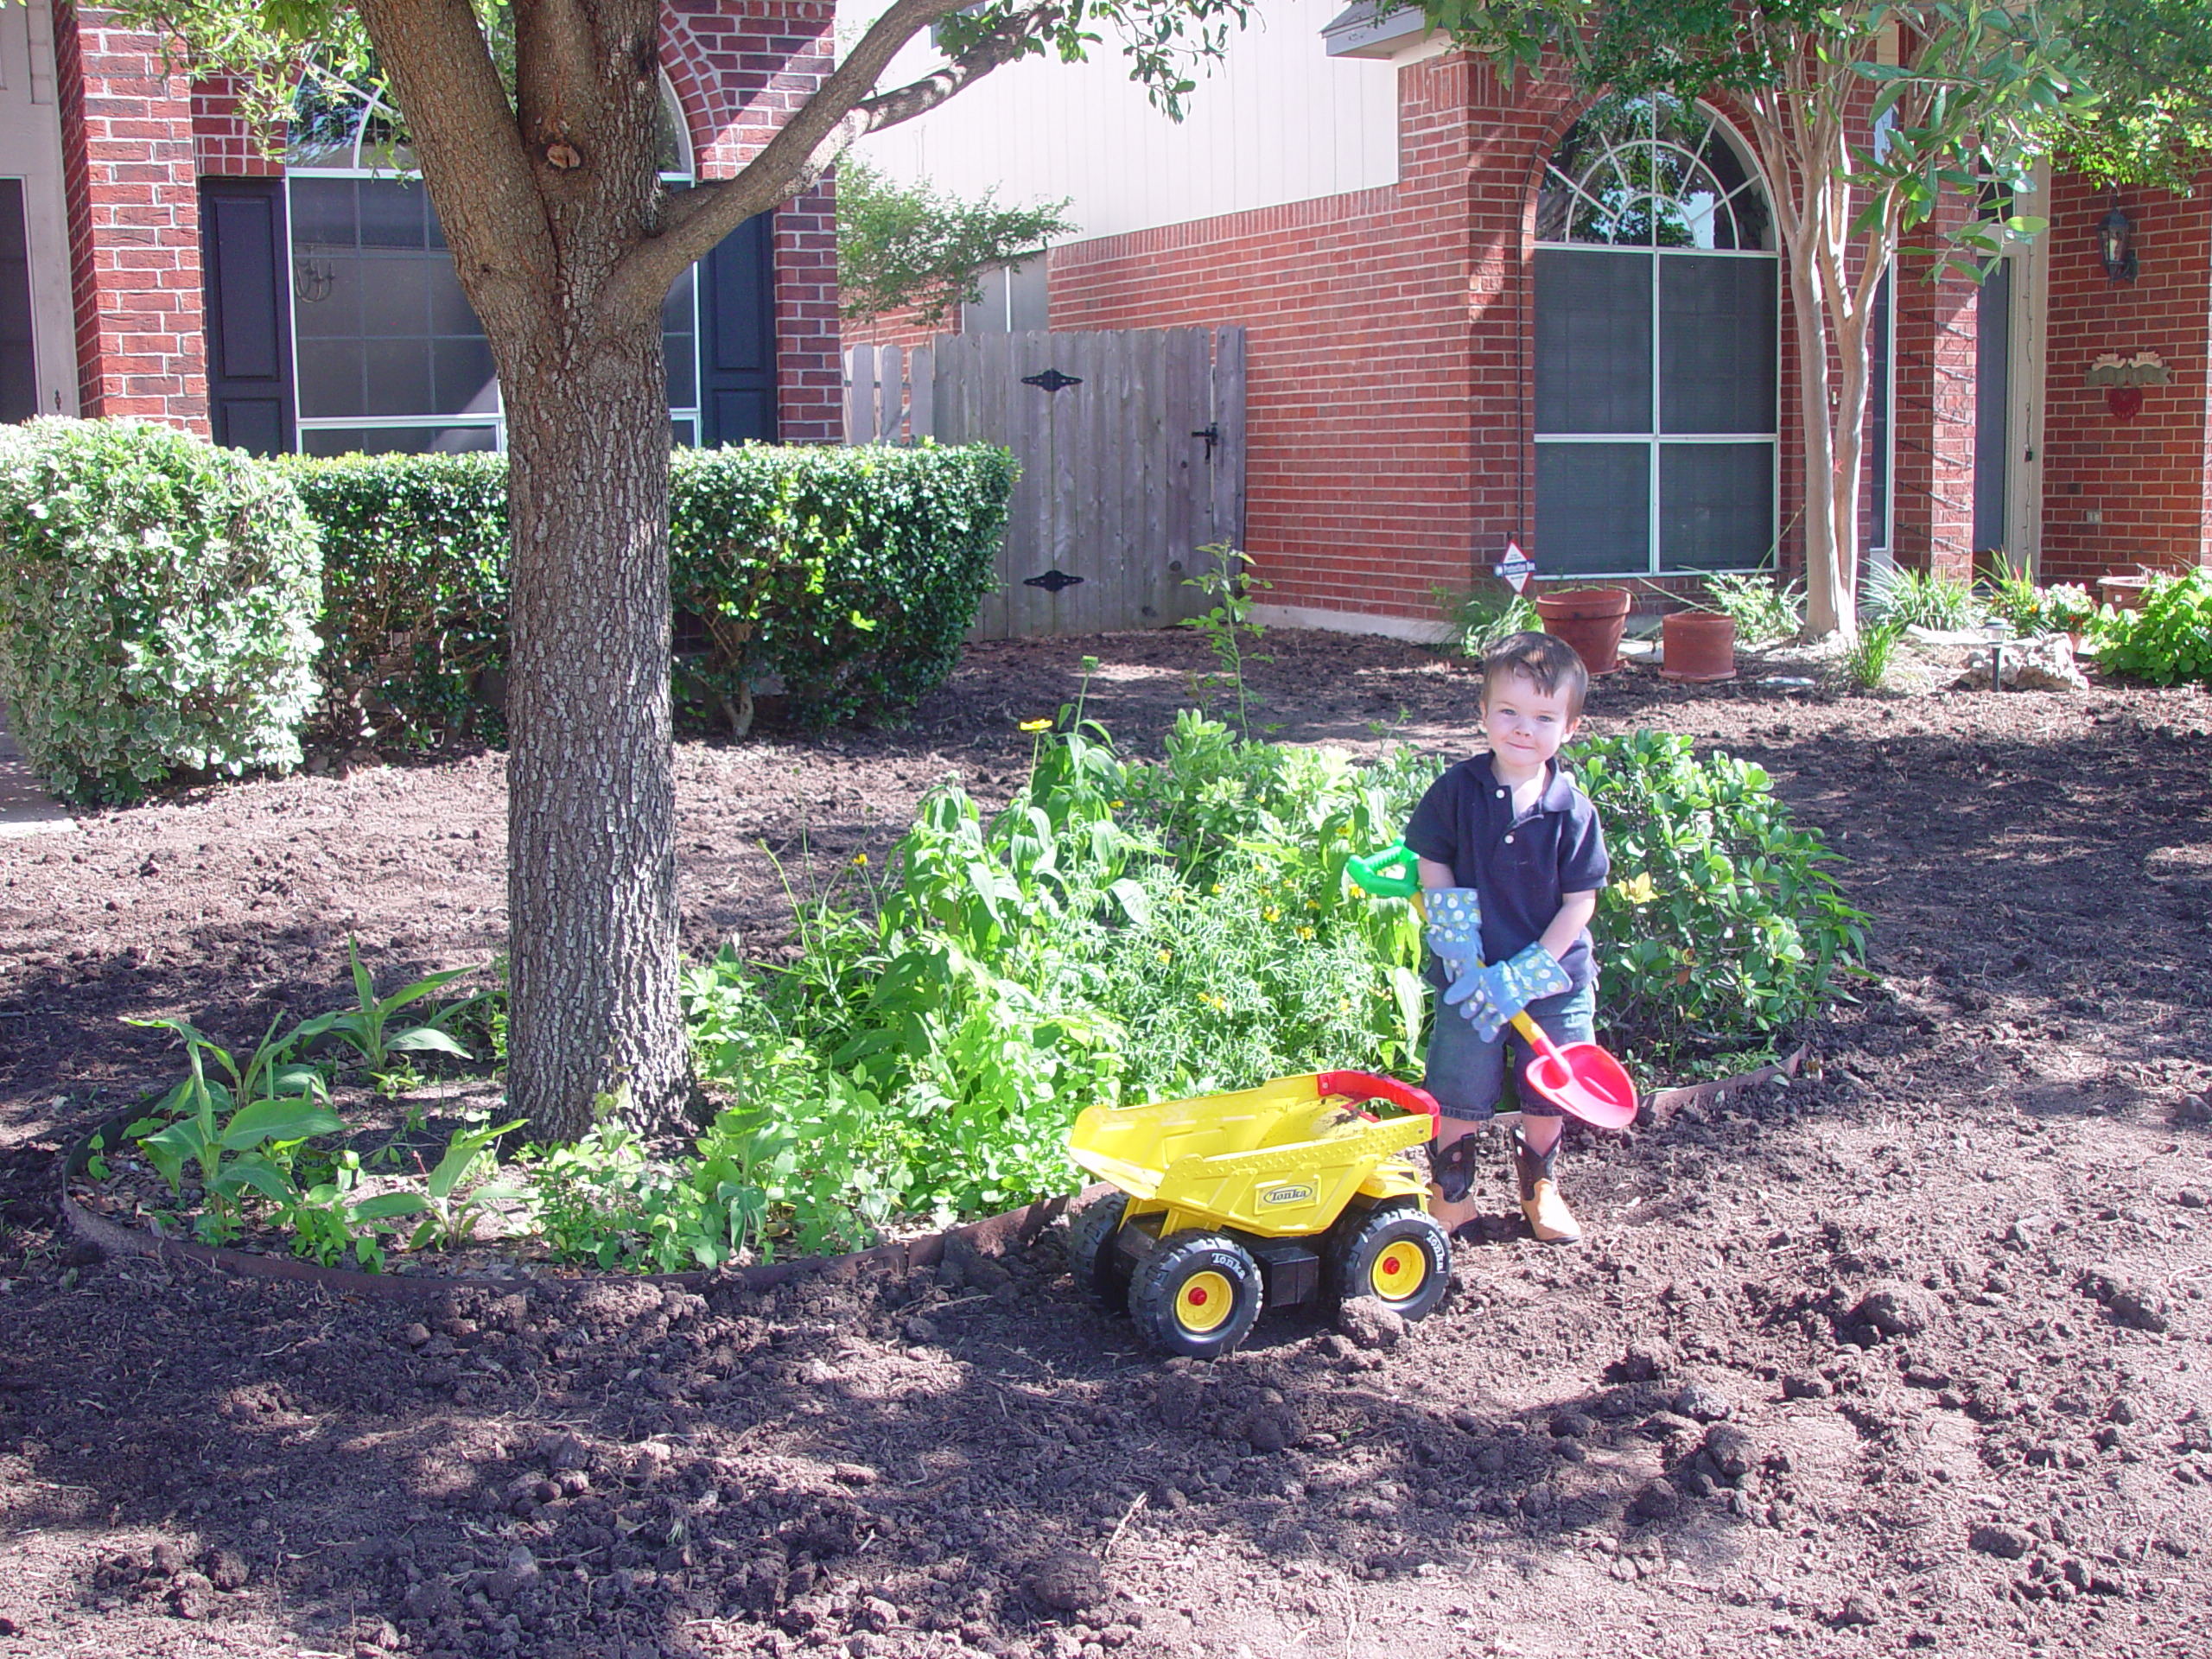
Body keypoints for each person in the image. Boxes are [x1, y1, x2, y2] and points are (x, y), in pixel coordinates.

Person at [1404, 631, 1608, 1246]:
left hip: (1553, 975)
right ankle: (1453, 1193)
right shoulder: (1457, 792)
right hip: (1472, 971)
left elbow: (1582, 899)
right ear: (1484, 716)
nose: (1524, 728)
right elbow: (1431, 861)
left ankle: (1539, 1185)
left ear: (1569, 728)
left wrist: (1530, 969)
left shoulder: (1572, 809)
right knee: (1460, 1079)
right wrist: (1454, 938)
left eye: (1544, 717)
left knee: (1548, 1082)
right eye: (1509, 712)